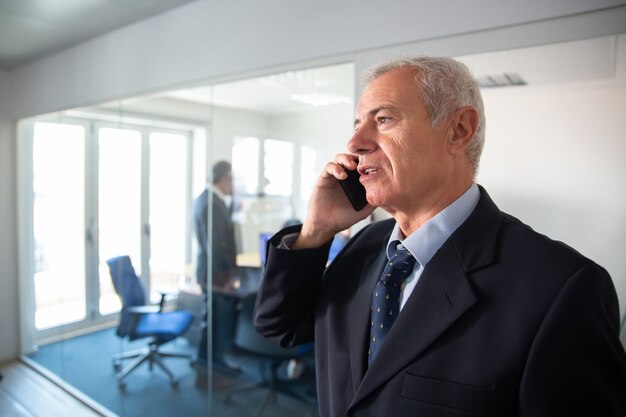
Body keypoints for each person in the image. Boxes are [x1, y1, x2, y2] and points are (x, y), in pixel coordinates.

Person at [253, 56, 626, 416]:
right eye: (357, 123)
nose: (355, 143)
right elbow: (278, 327)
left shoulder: (561, 288)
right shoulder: (365, 246)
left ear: (459, 130)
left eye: (383, 119)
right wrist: (317, 230)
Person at [193, 160, 238, 292]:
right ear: (223, 180)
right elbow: (216, 247)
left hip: (211, 274)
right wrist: (227, 278)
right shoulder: (212, 204)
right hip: (215, 277)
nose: (233, 185)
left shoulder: (204, 199)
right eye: (232, 180)